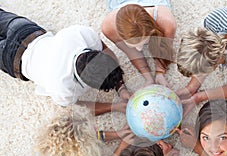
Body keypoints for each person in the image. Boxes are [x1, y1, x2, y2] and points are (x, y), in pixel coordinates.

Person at [0, 8, 131, 115]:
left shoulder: (82, 34)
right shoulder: (64, 89)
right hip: (12, 60)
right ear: (87, 84)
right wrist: (114, 106)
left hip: (23, 30)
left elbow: (107, 52)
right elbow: (79, 109)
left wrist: (121, 87)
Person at [101, 0, 176, 87]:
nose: (139, 49)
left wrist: (160, 72)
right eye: (133, 45)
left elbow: (164, 48)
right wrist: (148, 77)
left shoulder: (167, 21)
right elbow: (131, 52)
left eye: (144, 42)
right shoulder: (108, 27)